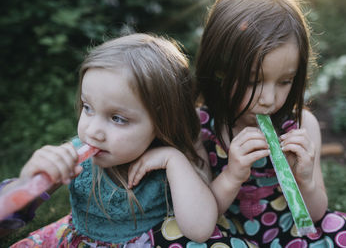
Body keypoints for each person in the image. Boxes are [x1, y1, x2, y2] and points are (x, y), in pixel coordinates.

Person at [194, 0, 346, 247]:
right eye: (253, 82)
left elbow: (316, 214)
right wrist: (232, 176)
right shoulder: (200, 128)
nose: (269, 100)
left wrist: (305, 179)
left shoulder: (301, 126)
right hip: (226, 237)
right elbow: (200, 217)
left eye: (285, 81)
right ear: (219, 71)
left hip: (290, 235)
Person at [3, 33, 219, 247]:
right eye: (88, 107)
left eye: (118, 118)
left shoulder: (175, 160)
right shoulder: (75, 158)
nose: (94, 131)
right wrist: (28, 183)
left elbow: (200, 230)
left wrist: (174, 160)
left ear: (164, 123)